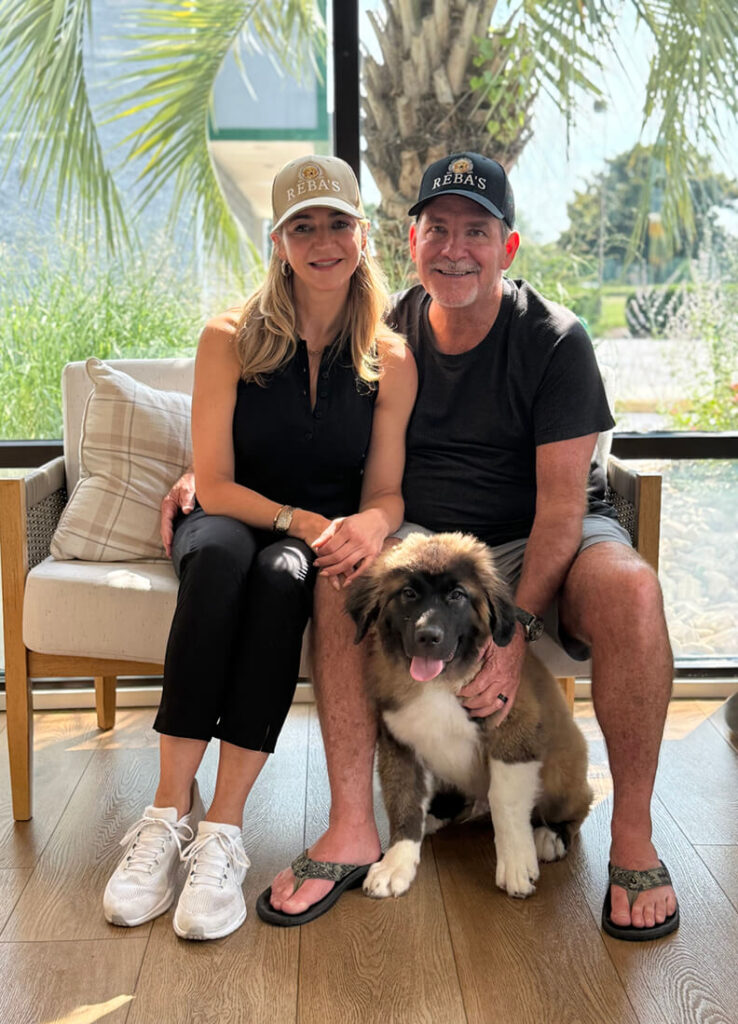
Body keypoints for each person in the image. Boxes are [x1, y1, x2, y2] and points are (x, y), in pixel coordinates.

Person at [165, 151, 679, 941]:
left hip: (547, 537)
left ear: (508, 248)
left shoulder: (554, 340)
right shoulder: (386, 326)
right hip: (428, 545)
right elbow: (291, 422)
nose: (455, 248)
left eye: (477, 231)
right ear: (411, 242)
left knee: (634, 590)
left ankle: (636, 838)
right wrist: (198, 475)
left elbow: (560, 513)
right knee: (344, 574)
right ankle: (351, 826)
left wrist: (512, 634)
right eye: (438, 229)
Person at [103, 154, 417, 941]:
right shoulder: (230, 338)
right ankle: (168, 813)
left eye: (336, 223)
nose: (321, 241)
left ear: (362, 235)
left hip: (300, 545)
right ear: (277, 241)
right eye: (301, 226)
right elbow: (211, 482)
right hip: (230, 517)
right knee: (221, 560)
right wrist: (304, 521)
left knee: (281, 583)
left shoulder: (392, 358)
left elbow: (384, 490)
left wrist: (373, 522)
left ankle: (223, 835)